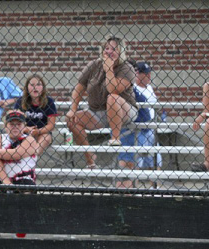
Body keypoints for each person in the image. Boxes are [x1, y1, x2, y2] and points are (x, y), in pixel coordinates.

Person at [66, 36, 138, 169]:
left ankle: (115, 138)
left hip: (124, 111)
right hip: (98, 112)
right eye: (107, 48)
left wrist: (109, 70)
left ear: (121, 51)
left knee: (112, 98)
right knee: (73, 120)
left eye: (114, 49)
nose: (109, 51)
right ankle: (90, 159)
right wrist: (73, 109)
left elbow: (114, 89)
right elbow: (79, 88)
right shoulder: (94, 65)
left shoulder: (126, 67)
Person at [116, 61, 161, 188]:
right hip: (135, 130)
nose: (148, 76)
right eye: (145, 74)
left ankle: (155, 189)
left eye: (149, 74)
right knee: (132, 163)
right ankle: (131, 190)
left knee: (154, 161)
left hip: (150, 128)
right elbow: (143, 114)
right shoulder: (132, 89)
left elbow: (151, 111)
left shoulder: (149, 89)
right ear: (137, 74)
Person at [0, 110, 37, 188]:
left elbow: (16, 154)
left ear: (24, 127)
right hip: (1, 179)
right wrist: (6, 181)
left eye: (19, 124)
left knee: (26, 192)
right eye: (11, 124)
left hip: (24, 178)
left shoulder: (29, 140)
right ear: (6, 126)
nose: (15, 127)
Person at [13, 74, 57, 156]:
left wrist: (38, 131)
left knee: (46, 138)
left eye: (38, 84)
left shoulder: (49, 101)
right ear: (27, 87)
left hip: (43, 132)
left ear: (43, 88)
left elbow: (51, 125)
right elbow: (15, 122)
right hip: (24, 131)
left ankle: (33, 156)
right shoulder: (20, 101)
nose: (35, 87)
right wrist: (27, 129)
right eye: (32, 85)